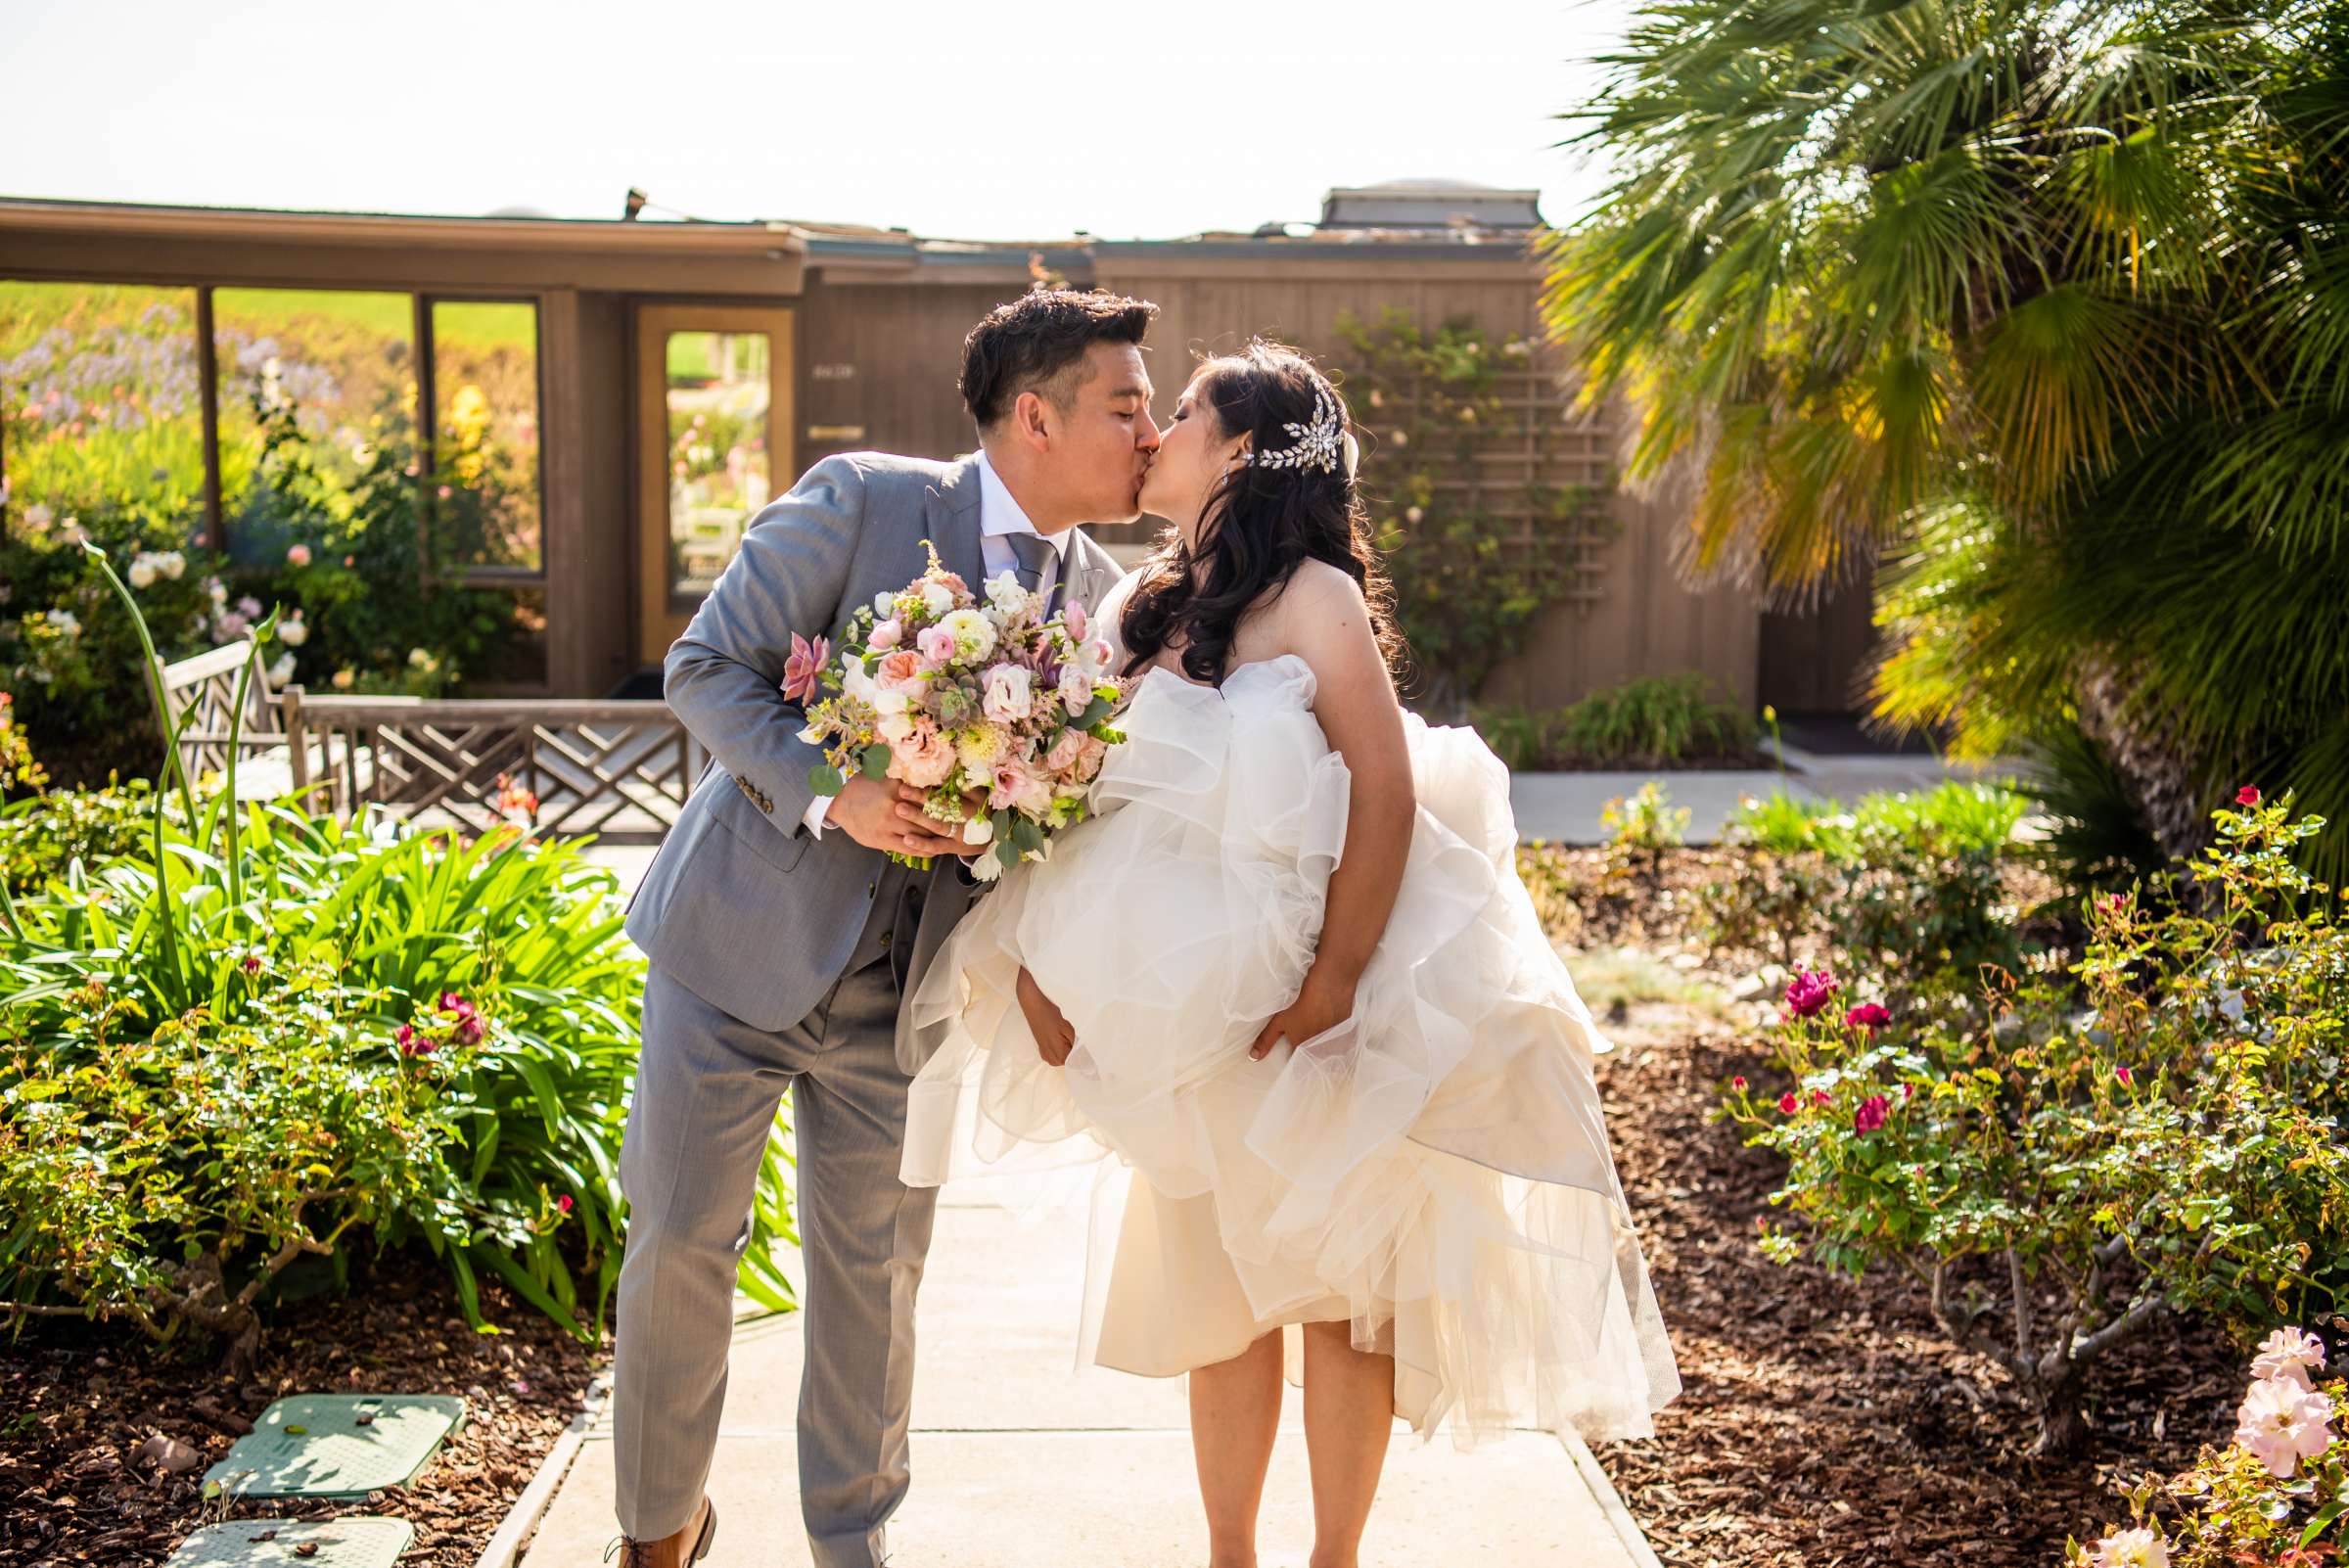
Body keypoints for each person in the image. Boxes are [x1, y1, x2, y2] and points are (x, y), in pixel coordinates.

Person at [902, 341, 1681, 1568]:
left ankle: (1334, 1558)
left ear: (1246, 451)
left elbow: (1383, 790)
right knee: (1218, 1293)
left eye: (1187, 411)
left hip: (1316, 1006)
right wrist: (1041, 970)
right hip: (1180, 1018)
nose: (1155, 430)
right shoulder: (1134, 605)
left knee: (1338, 1299)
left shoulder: (1315, 596)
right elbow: (1068, 803)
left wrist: (1333, 983)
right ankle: (1228, 1554)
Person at [611, 289, 1158, 1568]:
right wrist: (834, 786)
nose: (1145, 431)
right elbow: (706, 666)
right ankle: (654, 1533)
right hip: (734, 948)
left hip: (908, 990)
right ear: (1036, 413)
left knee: (878, 1276)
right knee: (683, 1237)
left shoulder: (1105, 604)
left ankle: (851, 1540)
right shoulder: (863, 500)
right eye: (1125, 405)